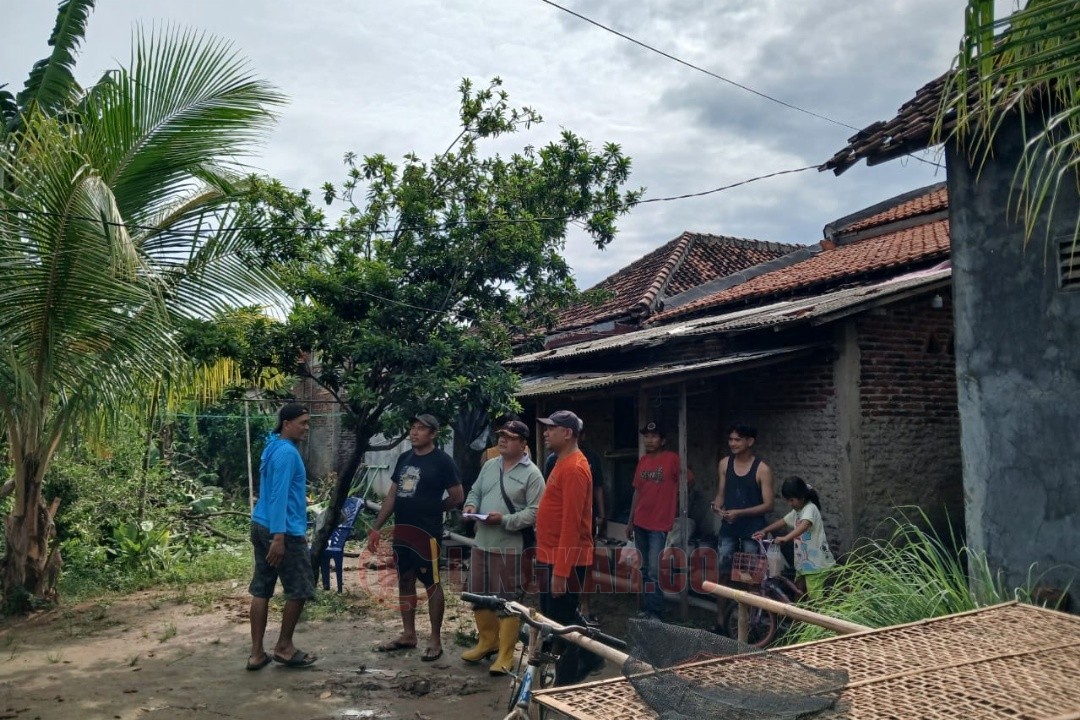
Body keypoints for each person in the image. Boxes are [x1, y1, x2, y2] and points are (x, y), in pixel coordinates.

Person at [367, 414, 464, 662]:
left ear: (433, 434)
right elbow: (392, 495)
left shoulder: (443, 462)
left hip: (427, 533)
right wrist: (377, 527)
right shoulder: (404, 458)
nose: (414, 432)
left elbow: (457, 496)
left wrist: (434, 509)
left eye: (421, 428)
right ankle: (409, 634)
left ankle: (435, 638)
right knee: (405, 580)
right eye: (413, 427)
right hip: (403, 532)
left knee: (431, 583)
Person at [460, 419, 545, 674]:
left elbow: (535, 512)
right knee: (478, 592)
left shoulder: (532, 474)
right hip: (482, 542)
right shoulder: (489, 465)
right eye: (501, 435)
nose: (503, 440)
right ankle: (487, 642)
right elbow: (475, 491)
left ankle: (506, 654)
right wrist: (470, 506)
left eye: (509, 436)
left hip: (510, 546)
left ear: (523, 443)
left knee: (507, 600)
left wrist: (505, 520)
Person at [247, 402, 316, 670]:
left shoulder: (272, 446)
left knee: (262, 588)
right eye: (303, 423)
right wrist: (279, 537)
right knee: (299, 589)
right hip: (283, 529)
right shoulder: (287, 453)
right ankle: (284, 647)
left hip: (260, 523)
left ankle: (256, 654)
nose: (307, 428)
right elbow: (278, 495)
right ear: (287, 423)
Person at [535, 410, 601, 685]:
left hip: (566, 560)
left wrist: (561, 571)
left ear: (568, 433)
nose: (545, 433)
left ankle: (568, 680)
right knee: (559, 617)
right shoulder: (560, 462)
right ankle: (590, 657)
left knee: (563, 625)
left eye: (551, 428)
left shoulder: (574, 468)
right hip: (551, 554)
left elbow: (572, 525)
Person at [624, 421, 692, 621]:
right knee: (645, 568)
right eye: (647, 436)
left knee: (654, 569)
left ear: (663, 440)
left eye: (654, 436)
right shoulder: (643, 461)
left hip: (659, 524)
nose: (649, 440)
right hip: (640, 521)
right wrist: (630, 521)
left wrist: (673, 500)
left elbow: (688, 480)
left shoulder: (672, 459)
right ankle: (648, 608)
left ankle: (656, 613)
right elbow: (637, 491)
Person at [710, 423, 774, 625]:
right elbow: (721, 494)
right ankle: (721, 622)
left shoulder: (762, 469)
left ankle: (748, 624)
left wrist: (740, 512)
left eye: (737, 439)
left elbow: (769, 505)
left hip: (752, 531)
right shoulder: (724, 464)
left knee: (750, 580)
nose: (733, 443)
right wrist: (716, 506)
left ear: (750, 441)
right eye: (730, 439)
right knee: (723, 575)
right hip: (729, 528)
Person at [544, 429, 606, 621]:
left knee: (582, 568)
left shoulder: (585, 461)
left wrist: (601, 514)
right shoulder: (552, 461)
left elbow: (598, 488)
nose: (546, 434)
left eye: (551, 429)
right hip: (555, 536)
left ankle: (584, 606)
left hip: (580, 524)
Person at [753, 477, 835, 599]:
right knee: (798, 592)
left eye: (792, 500)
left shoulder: (810, 509)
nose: (790, 504)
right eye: (788, 501)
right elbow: (783, 521)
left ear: (801, 497)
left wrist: (786, 538)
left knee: (815, 598)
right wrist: (764, 531)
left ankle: (816, 617)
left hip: (816, 564)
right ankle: (799, 617)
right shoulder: (797, 511)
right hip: (803, 564)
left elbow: (804, 524)